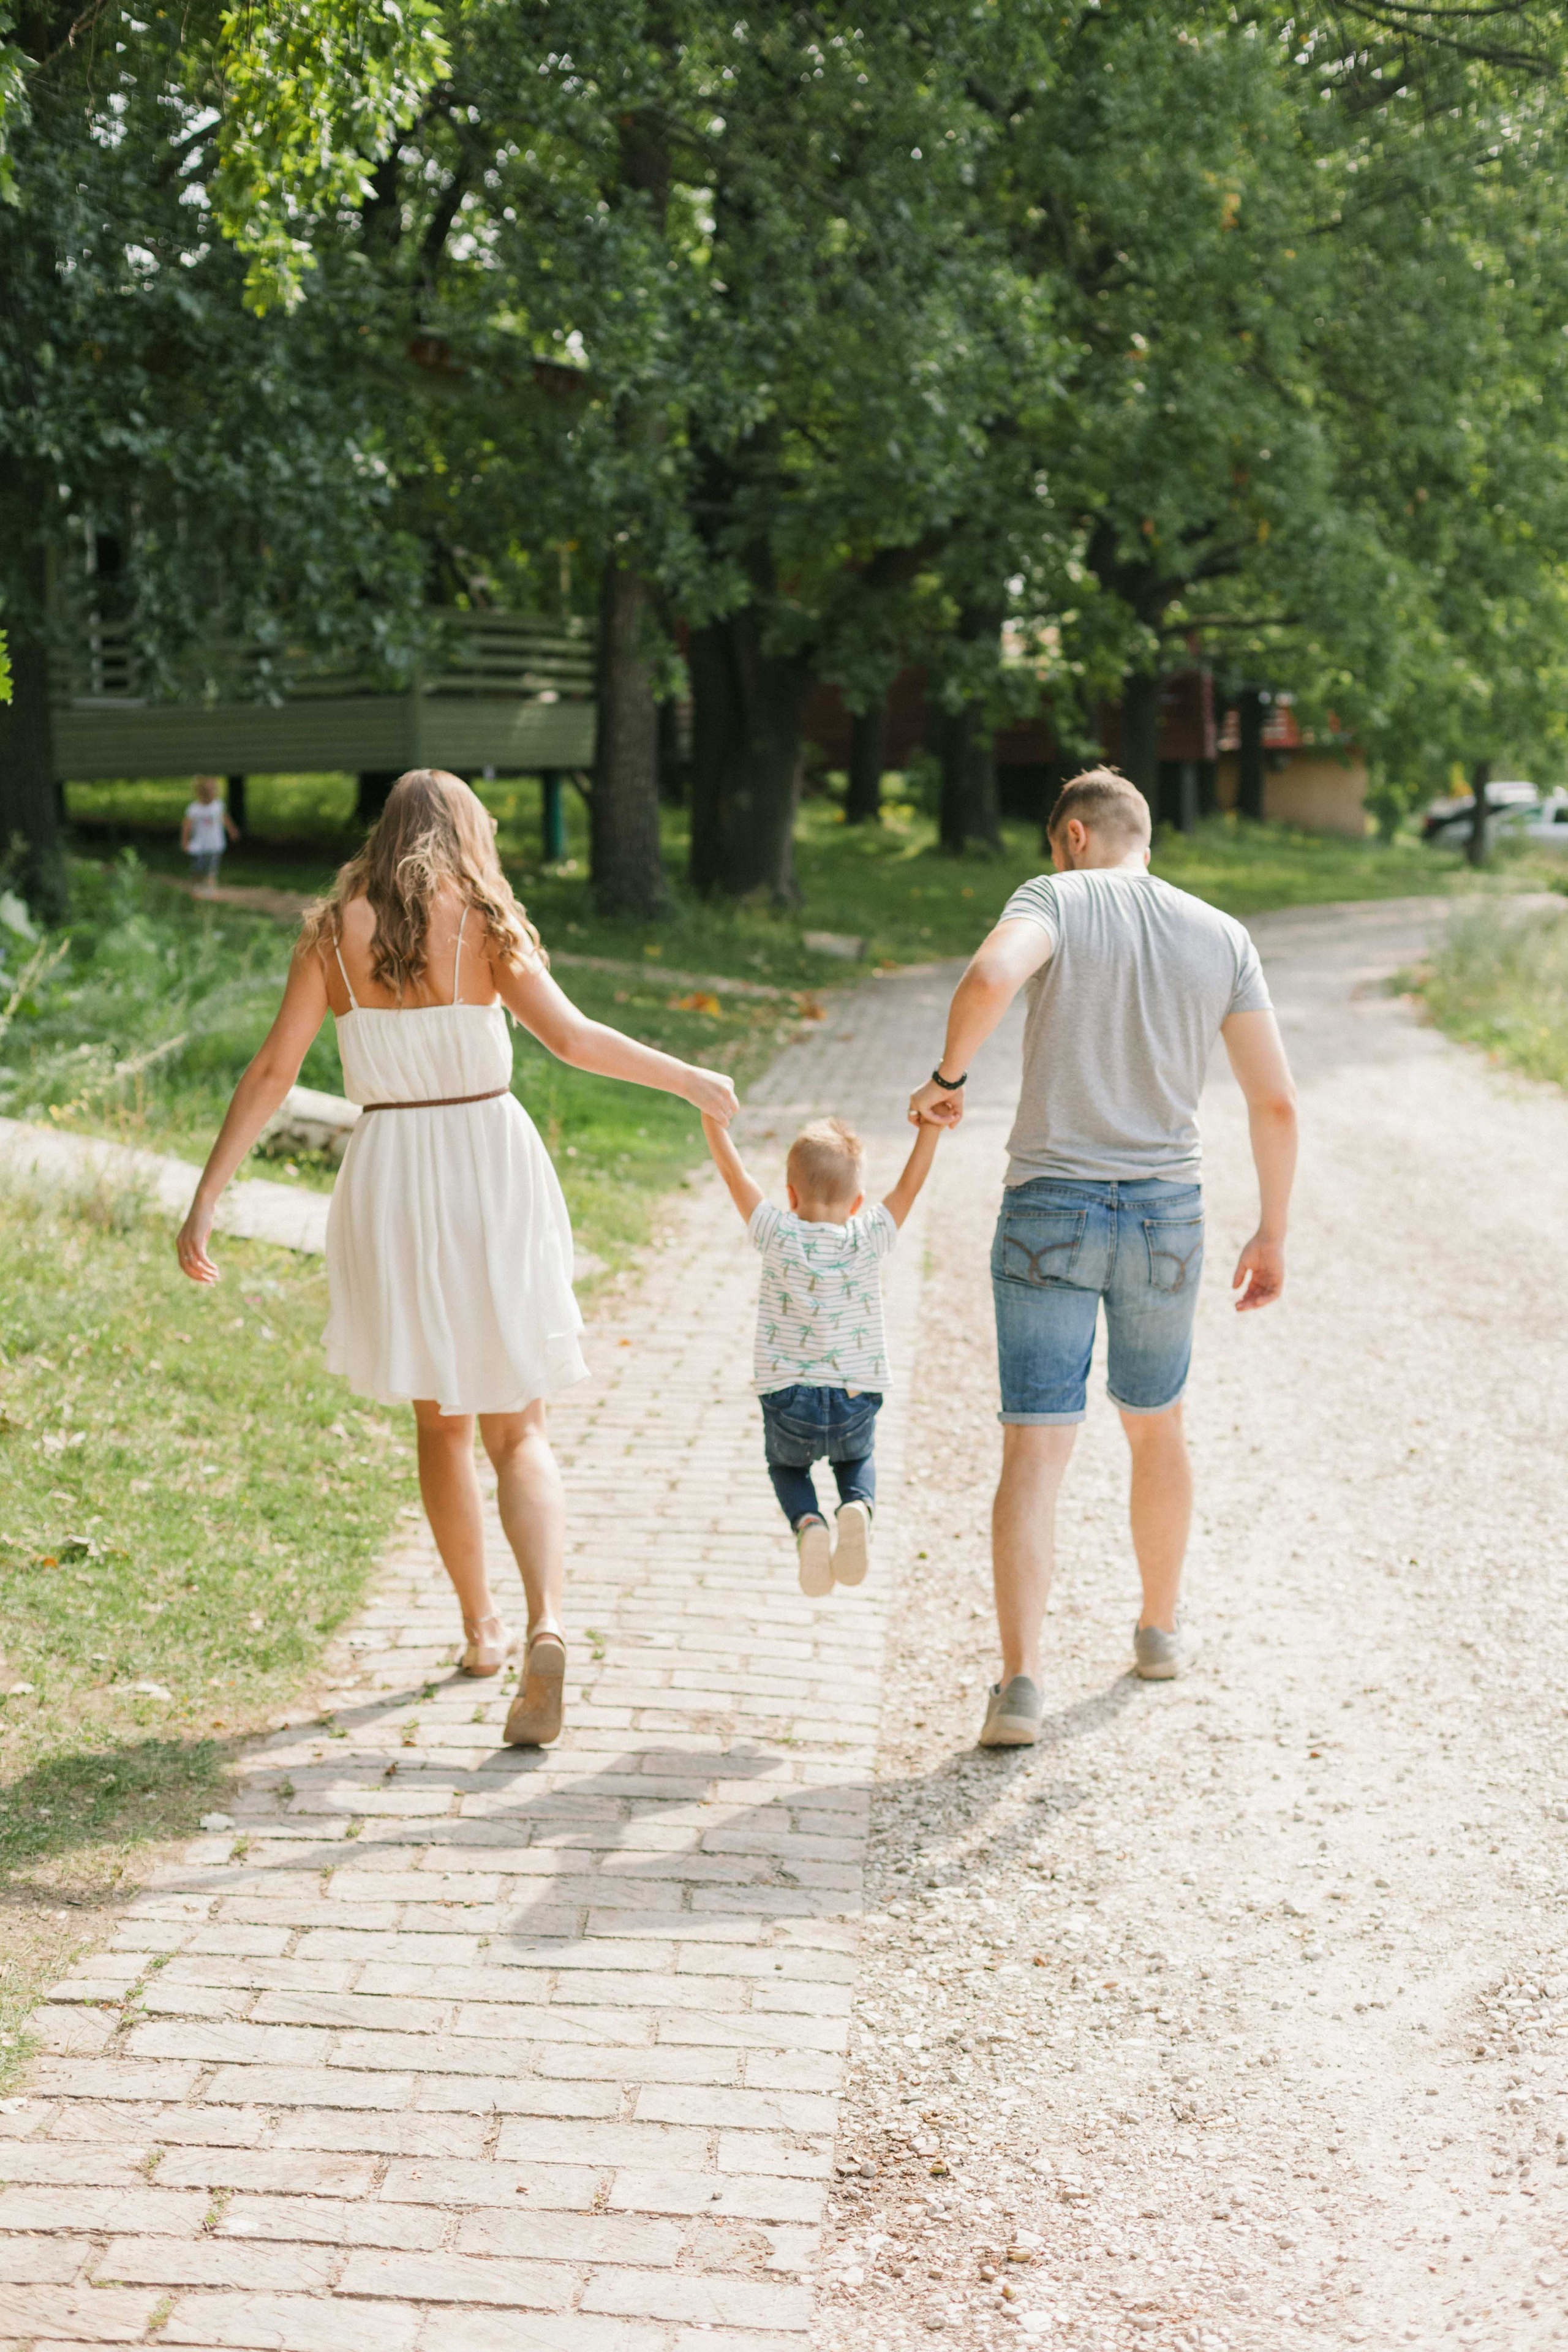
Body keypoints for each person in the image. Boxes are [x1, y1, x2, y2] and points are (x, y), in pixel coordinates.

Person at [175, 768, 737, 1746]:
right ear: (465, 835)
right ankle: (545, 1622)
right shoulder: (484, 922)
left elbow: (273, 1070)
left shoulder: (330, 934)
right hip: (490, 1163)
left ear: (385, 833)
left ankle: (480, 1632)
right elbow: (572, 1039)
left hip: (392, 1171)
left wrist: (209, 1194)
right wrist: (689, 1078)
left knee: (440, 1426)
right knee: (520, 1428)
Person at [908, 767, 1298, 1747]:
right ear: (1145, 843)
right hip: (1168, 1216)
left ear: (1073, 837)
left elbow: (989, 978)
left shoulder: (1055, 899)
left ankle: (1020, 1688)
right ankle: (1159, 1632)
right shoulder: (1222, 934)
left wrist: (949, 1078)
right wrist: (1273, 1229)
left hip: (1050, 1206)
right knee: (1157, 1426)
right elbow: (1276, 1101)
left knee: (1036, 1447)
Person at [703, 1111, 940, 1595]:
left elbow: (734, 1174)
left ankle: (808, 1522)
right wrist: (930, 1128)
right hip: (855, 1394)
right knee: (856, 1459)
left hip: (789, 1397)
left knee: (786, 1467)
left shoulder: (776, 1232)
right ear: (858, 1203)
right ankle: (857, 1506)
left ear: (790, 1196)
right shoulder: (868, 1235)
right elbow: (909, 1186)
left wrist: (711, 1119)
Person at [181, 775, 239, 893]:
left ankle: (210, 888)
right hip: (199, 845)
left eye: (213, 791)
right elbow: (187, 825)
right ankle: (196, 886)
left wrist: (232, 830)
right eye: (207, 792)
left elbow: (224, 819)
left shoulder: (218, 805)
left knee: (212, 868)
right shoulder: (194, 809)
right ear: (200, 793)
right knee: (198, 867)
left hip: (215, 844)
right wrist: (185, 841)